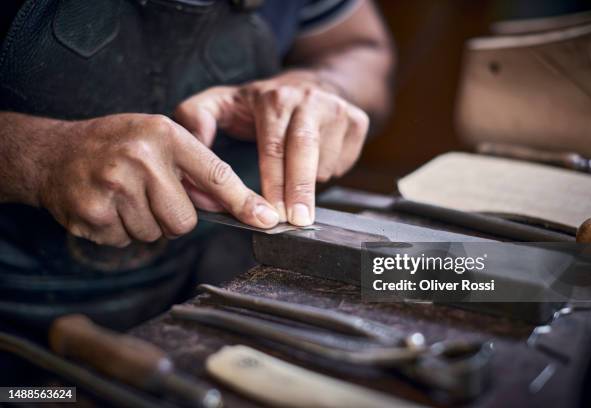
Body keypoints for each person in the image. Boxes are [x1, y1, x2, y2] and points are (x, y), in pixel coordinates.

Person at [0, 0, 394, 329]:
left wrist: (326, 84)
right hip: (19, 310)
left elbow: (360, 48)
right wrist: (38, 156)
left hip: (233, 270)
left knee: (445, 277)